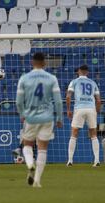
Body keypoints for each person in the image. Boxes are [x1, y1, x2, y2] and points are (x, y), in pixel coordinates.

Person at [16, 53, 63, 188]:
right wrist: (59, 118)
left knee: (27, 144)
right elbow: (58, 101)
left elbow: (19, 101)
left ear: (32, 62)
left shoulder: (24, 78)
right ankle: (37, 181)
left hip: (31, 117)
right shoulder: (51, 78)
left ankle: (30, 164)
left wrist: (22, 114)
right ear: (44, 63)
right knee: (43, 148)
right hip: (47, 117)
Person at [66, 65, 101, 167]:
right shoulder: (93, 82)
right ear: (88, 72)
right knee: (93, 134)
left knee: (74, 133)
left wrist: (68, 110)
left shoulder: (74, 82)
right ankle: (97, 160)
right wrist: (97, 110)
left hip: (79, 109)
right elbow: (98, 100)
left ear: (79, 71)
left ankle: (70, 161)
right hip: (91, 109)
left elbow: (68, 97)